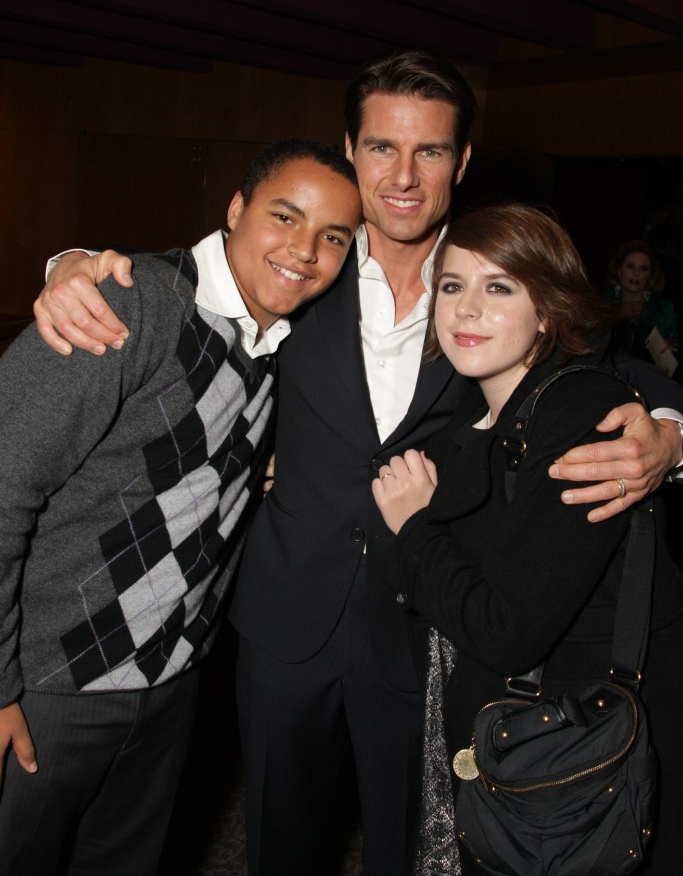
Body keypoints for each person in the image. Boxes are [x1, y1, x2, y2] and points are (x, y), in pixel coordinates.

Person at [32, 51, 683, 876]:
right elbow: (168, 271)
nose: (403, 176)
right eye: (381, 148)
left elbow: (612, 357)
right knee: (280, 843)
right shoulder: (301, 266)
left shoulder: (492, 275)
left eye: (430, 152)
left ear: (463, 160)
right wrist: (69, 267)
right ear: (351, 149)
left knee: (415, 848)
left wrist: (669, 428)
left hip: (427, 624)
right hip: (284, 617)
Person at [0, 139, 361, 876]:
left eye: (333, 237)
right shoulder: (129, 302)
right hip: (47, 686)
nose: (303, 251)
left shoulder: (279, 348)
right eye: (284, 217)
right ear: (235, 208)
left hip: (168, 687)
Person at [372, 202, 683, 875]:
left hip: (574, 762)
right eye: (452, 286)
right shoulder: (478, 408)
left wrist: (414, 525)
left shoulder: (577, 415)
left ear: (546, 310)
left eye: (498, 286)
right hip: (524, 752)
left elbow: (507, 629)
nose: (466, 309)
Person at [606, 239, 679, 365]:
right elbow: (589, 338)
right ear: (619, 271)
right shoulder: (604, 300)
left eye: (643, 268)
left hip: (648, 376)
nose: (636, 274)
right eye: (630, 266)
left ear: (650, 275)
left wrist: (670, 347)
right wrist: (616, 316)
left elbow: (675, 344)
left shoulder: (663, 307)